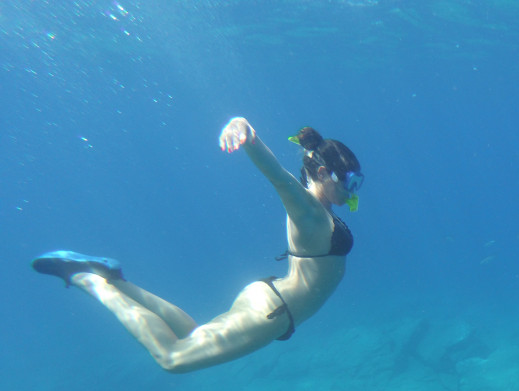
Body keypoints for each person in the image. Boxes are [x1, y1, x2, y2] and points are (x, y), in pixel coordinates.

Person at [31, 118, 362, 374]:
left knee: (193, 333)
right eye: (350, 183)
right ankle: (86, 278)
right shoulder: (307, 210)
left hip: (273, 300)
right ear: (323, 173)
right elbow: (277, 176)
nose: (353, 192)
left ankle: (116, 279)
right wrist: (244, 129)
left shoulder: (322, 211)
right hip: (272, 312)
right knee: (172, 359)